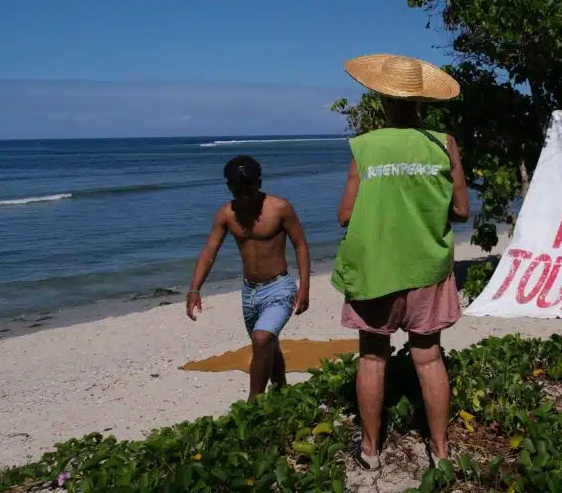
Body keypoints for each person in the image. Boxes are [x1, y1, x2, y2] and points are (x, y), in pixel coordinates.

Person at [331, 54, 470, 470]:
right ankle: (441, 451)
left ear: (382, 100)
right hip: (427, 268)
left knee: (373, 358)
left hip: (375, 269)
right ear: (421, 102)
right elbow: (462, 209)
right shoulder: (443, 143)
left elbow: (344, 214)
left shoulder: (366, 145)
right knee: (428, 358)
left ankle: (371, 450)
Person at [186, 155, 311, 401]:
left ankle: (252, 405)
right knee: (268, 346)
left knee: (261, 339)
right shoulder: (226, 214)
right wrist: (194, 289)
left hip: (279, 287)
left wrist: (304, 286)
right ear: (229, 186)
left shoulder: (279, 208)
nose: (243, 194)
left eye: (249, 188)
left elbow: (300, 245)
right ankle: (283, 395)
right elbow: (210, 251)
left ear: (259, 182)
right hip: (249, 293)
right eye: (237, 188)